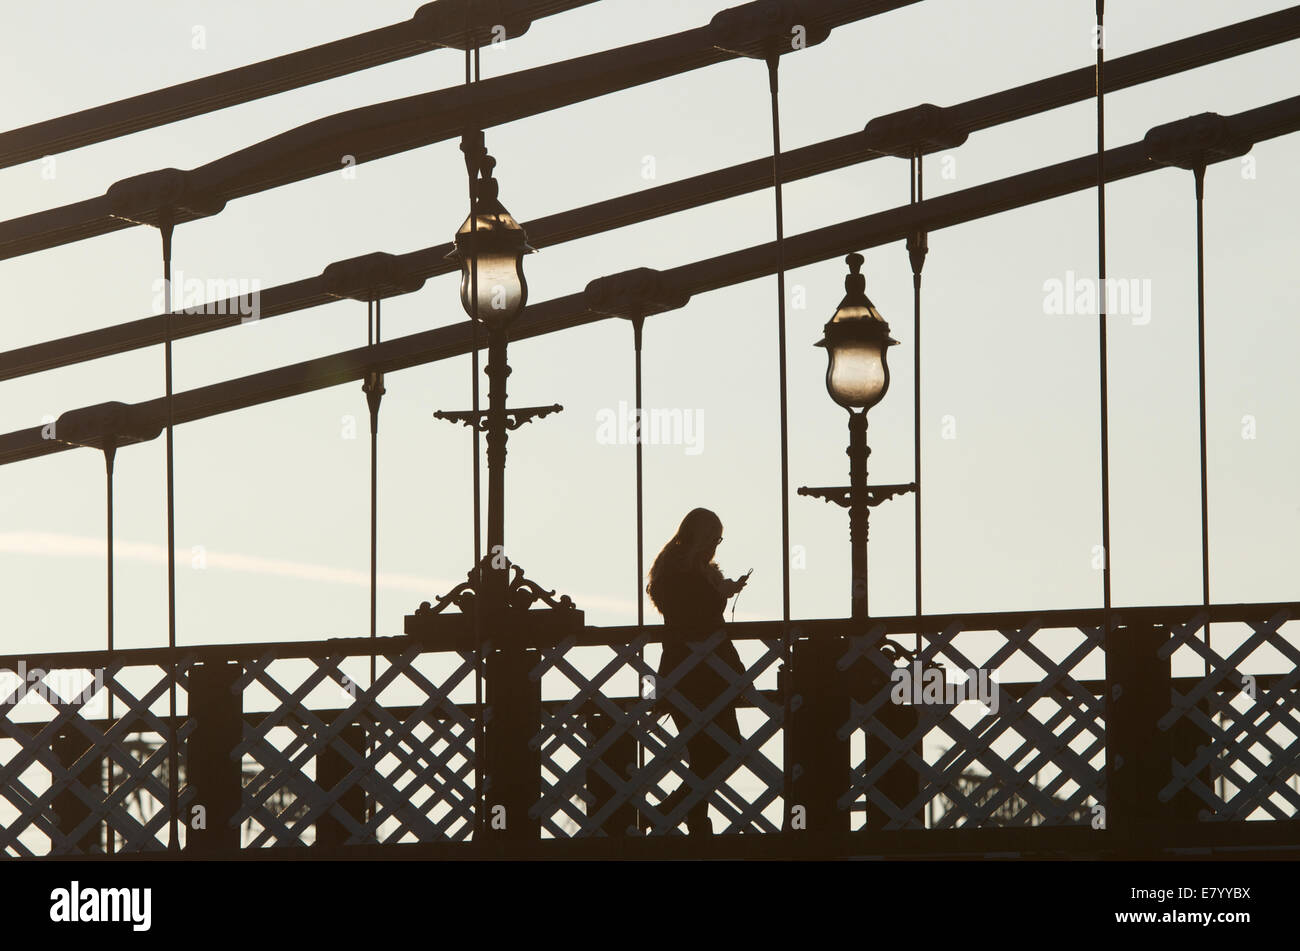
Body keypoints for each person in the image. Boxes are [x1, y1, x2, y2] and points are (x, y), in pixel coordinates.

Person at [645, 507, 751, 835]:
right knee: (719, 749)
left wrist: (721, 590)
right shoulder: (678, 570)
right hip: (694, 673)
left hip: (706, 672)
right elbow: (692, 613)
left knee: (713, 750)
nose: (716, 546)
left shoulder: (690, 569)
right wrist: (720, 593)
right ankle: (687, 813)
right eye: (712, 538)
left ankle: (687, 813)